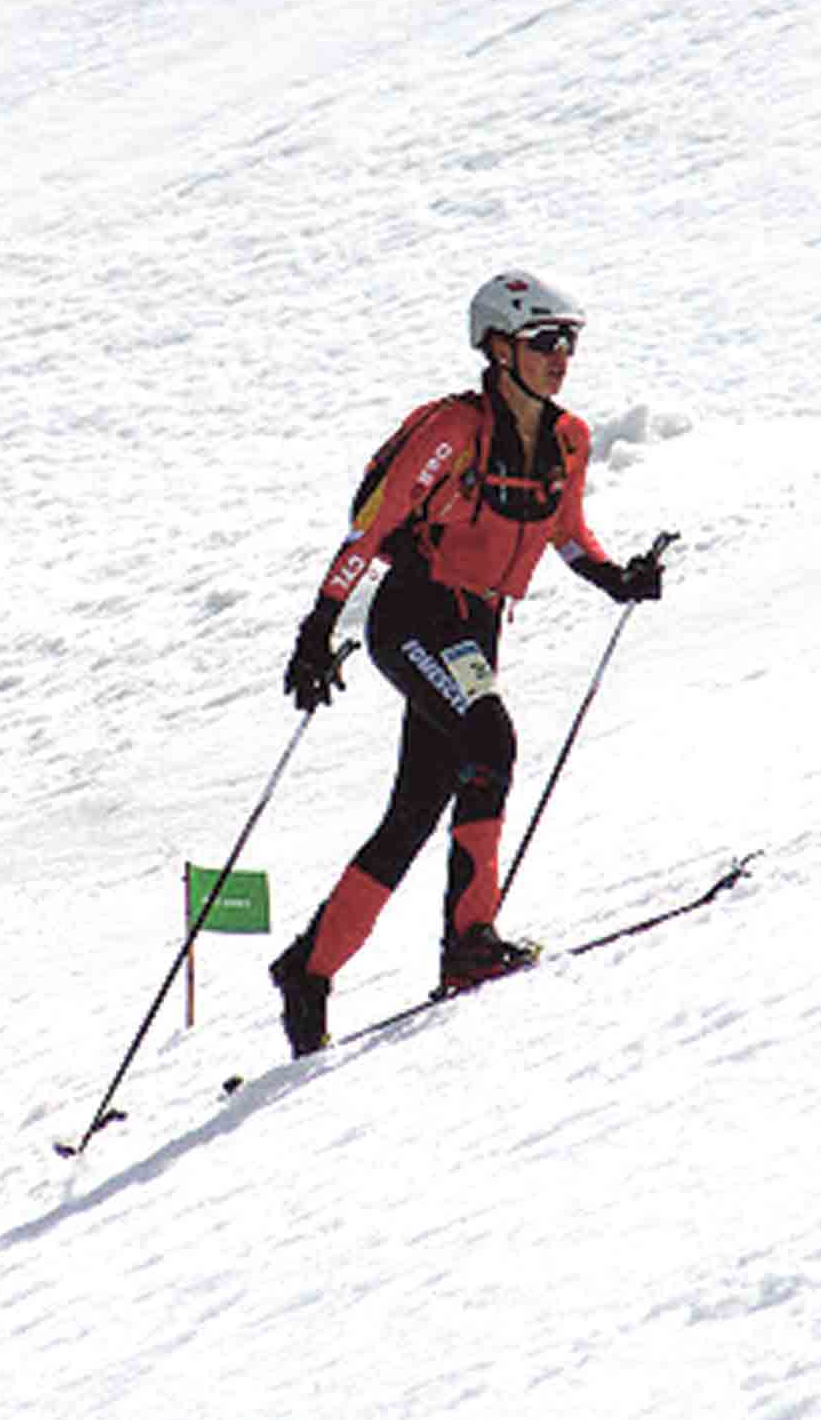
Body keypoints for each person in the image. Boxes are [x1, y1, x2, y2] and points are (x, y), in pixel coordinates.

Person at [270, 272, 669, 1056]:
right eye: (544, 341)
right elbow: (370, 528)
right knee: (491, 741)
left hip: (477, 629)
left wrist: (615, 575)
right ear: (497, 347)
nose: (562, 357)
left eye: (570, 342)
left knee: (417, 810)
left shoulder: (568, 438)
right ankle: (470, 941)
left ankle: (308, 971)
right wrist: (318, 626)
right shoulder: (453, 431)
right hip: (417, 614)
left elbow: (564, 530)